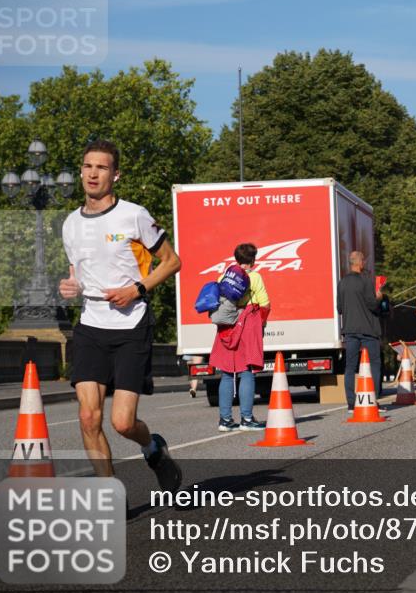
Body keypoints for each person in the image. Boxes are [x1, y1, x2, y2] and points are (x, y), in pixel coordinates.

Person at [58, 139, 182, 492]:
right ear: (81, 171)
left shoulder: (134, 215)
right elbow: (76, 274)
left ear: (115, 174)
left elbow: (172, 262)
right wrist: (70, 286)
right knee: (87, 416)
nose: (93, 173)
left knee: (123, 422)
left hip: (131, 325)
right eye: (87, 166)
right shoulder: (70, 224)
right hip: (91, 326)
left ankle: (153, 448)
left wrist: (137, 289)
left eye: (101, 167)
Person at [210, 243, 270, 432]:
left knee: (227, 373)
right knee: (247, 371)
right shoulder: (255, 277)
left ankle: (225, 420)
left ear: (236, 259)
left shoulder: (223, 277)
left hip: (226, 327)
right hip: (247, 325)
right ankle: (246, 418)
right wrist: (261, 326)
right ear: (253, 260)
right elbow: (265, 304)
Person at [338, 251, 384, 413]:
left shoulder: (342, 282)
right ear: (360, 263)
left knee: (350, 367)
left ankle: (351, 403)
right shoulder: (365, 281)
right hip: (367, 330)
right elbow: (372, 305)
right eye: (363, 260)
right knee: (374, 364)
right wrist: (379, 297)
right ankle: (373, 399)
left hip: (349, 330)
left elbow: (339, 308)